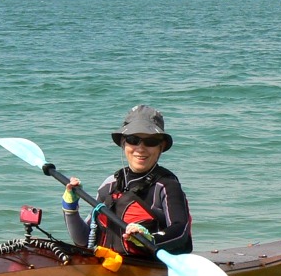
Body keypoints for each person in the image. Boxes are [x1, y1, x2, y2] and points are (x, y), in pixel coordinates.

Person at [62, 105, 193, 257]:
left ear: (161, 146)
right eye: (133, 140)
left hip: (147, 268)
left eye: (150, 141)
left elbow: (180, 231)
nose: (141, 148)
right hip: (109, 266)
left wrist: (150, 239)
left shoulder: (166, 186)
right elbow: (84, 240)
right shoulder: (110, 184)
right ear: (124, 143)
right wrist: (70, 208)